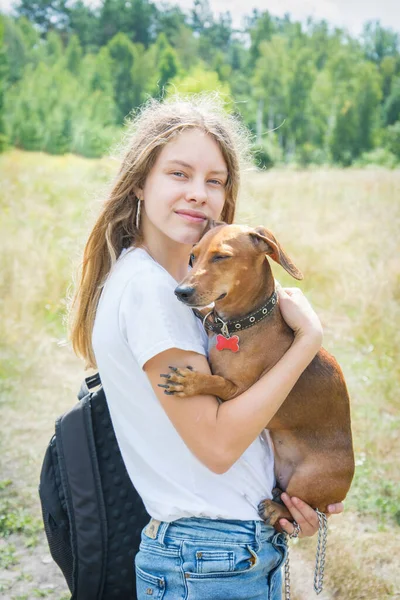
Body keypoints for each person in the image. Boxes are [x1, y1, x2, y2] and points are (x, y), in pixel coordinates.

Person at [69, 93, 343, 600]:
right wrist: (307, 342)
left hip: (221, 550)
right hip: (210, 559)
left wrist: (289, 496)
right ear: (139, 184)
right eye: (179, 174)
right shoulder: (152, 292)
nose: (199, 193)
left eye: (214, 181)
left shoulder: (177, 286)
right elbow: (217, 445)